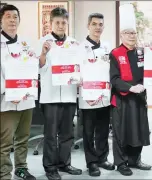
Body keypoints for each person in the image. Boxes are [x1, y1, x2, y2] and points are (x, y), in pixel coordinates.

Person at [36, 7, 82, 180]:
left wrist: (81, 77)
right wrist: (43, 53)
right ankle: (50, 167)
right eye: (57, 22)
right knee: (50, 134)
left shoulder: (74, 44)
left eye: (64, 22)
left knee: (67, 133)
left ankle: (65, 163)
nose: (61, 25)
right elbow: (38, 67)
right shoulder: (43, 42)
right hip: (50, 95)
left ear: (67, 23)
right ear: (50, 23)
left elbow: (79, 66)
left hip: (69, 95)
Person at [109, 3, 151, 176]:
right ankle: (121, 162)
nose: (131, 36)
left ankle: (135, 159)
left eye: (134, 33)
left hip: (139, 97)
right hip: (122, 98)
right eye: (128, 33)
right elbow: (114, 79)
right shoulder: (115, 53)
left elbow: (149, 73)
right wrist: (130, 87)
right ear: (121, 35)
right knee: (121, 132)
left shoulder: (142, 52)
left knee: (139, 129)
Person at [0, 4, 37, 180]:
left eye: (15, 16)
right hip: (6, 101)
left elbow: (32, 68)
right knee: (5, 141)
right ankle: (4, 173)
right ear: (1, 20)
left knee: (23, 137)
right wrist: (9, 92)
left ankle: (21, 168)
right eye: (8, 16)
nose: (12, 20)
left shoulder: (26, 42)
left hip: (26, 99)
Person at [78, 13, 114, 177]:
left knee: (103, 130)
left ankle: (102, 158)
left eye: (100, 24)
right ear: (88, 26)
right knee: (88, 131)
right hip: (88, 98)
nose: (98, 27)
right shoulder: (79, 48)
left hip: (104, 96)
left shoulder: (107, 46)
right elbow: (76, 72)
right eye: (94, 24)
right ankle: (91, 162)